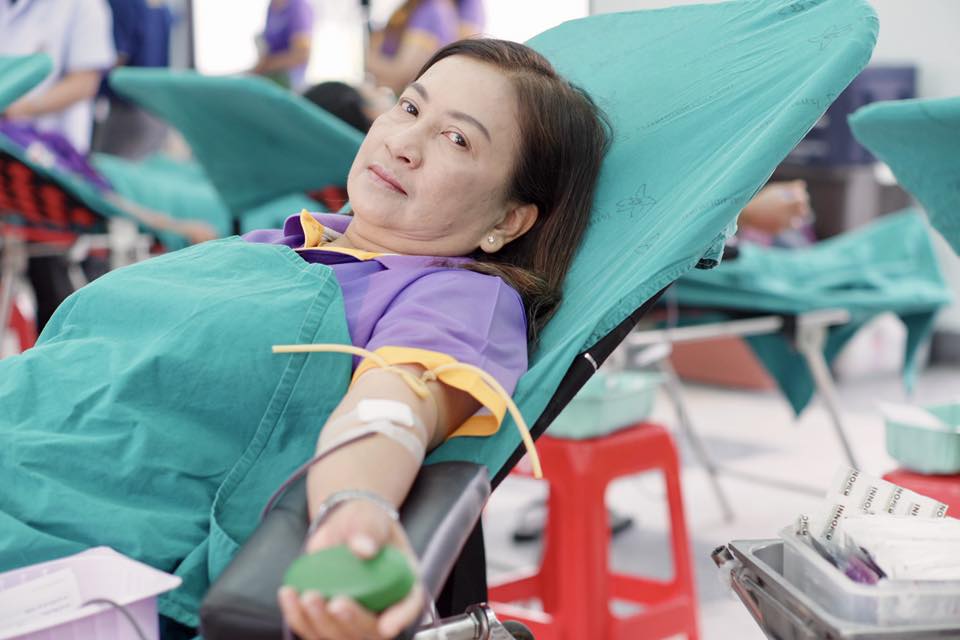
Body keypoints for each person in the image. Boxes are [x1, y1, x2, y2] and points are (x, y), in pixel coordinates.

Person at [0, 38, 609, 639]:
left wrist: (354, 508)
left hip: (64, 546)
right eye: (409, 107)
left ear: (507, 220)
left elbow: (394, 408)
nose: (403, 144)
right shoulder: (274, 245)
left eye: (456, 139)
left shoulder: (455, 295)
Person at [1, 0, 116, 331]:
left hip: (52, 168)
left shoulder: (82, 7)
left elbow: (85, 82)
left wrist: (21, 107)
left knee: (50, 279)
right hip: (8, 162)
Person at [366, 0, 485, 95]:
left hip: (394, 99)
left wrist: (360, 57)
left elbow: (401, 74)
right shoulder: (421, 6)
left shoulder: (433, 11)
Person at [252, 0, 315, 91]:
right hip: (270, 76)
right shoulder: (272, 7)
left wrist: (266, 65)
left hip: (289, 82)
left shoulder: (298, 7)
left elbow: (301, 56)